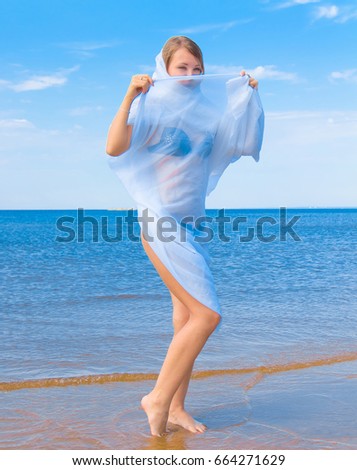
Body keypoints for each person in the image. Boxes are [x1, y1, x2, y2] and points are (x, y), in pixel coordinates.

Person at [106, 36, 263, 437]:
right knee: (207, 315)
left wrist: (247, 100)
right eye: (182, 68)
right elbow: (114, 146)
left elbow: (242, 143)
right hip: (161, 223)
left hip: (195, 226)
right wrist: (129, 95)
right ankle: (156, 398)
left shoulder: (207, 115)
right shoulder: (153, 106)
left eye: (197, 69)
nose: (191, 76)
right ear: (165, 68)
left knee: (185, 320)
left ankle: (176, 408)